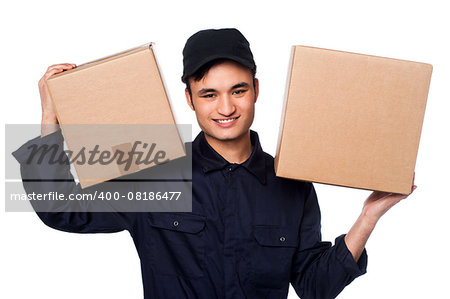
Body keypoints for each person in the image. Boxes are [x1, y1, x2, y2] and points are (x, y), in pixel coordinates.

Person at [13, 28, 416, 299]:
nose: (226, 108)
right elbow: (61, 209)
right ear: (189, 98)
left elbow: (314, 285)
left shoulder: (293, 184)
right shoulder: (155, 174)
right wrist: (50, 118)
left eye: (238, 90)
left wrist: (369, 215)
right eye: (209, 94)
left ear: (256, 90)